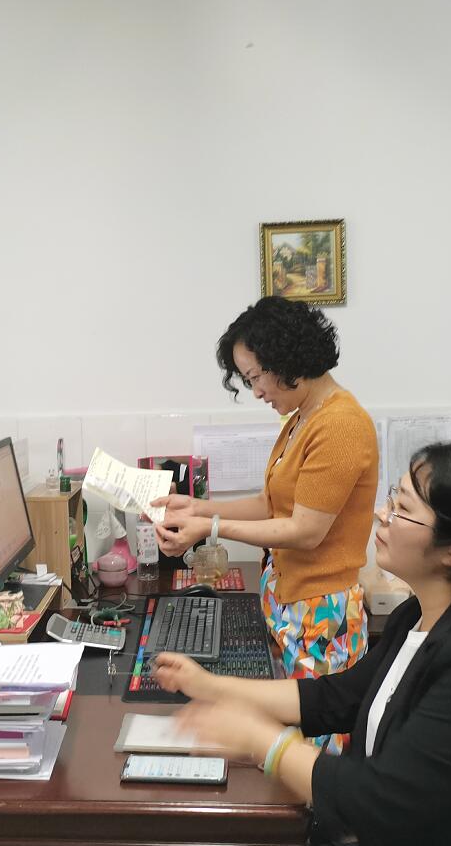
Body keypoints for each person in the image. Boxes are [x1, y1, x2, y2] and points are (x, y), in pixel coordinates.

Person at [155, 442, 451, 846]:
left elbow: (379, 801)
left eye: (403, 509)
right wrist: (209, 685)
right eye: (393, 498)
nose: (382, 515)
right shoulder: (420, 616)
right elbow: (335, 698)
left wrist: (261, 739)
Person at [153, 296, 379, 702]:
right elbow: (270, 504)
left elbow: (306, 531)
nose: (257, 392)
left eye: (256, 377)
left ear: (287, 360)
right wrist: (199, 508)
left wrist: (209, 527)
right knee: (288, 717)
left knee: (317, 728)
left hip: (320, 610)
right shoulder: (302, 418)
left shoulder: (340, 424)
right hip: (290, 599)